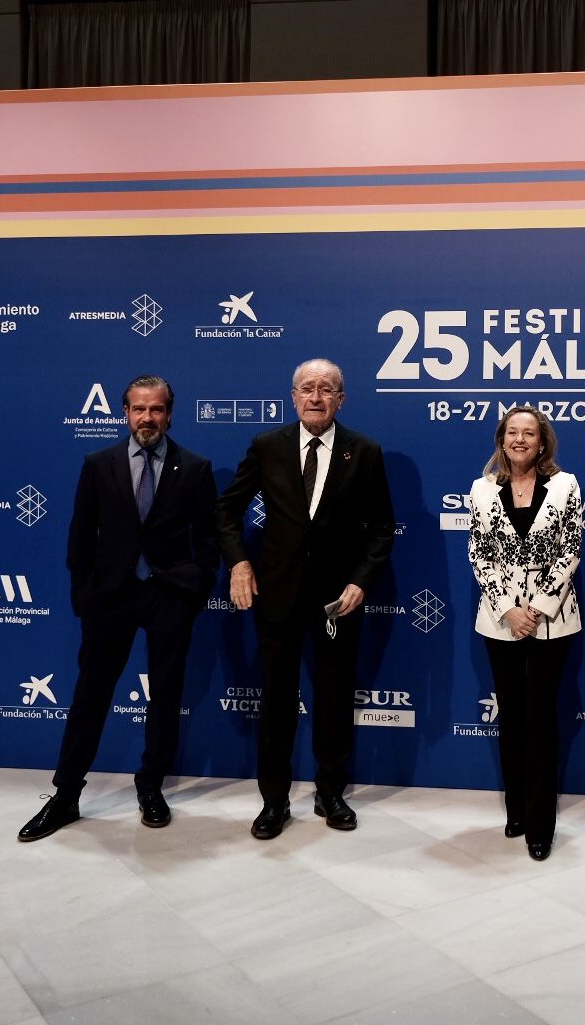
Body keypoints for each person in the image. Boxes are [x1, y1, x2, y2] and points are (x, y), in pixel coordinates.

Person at [19, 374, 219, 841]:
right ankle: (66, 795)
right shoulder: (98, 463)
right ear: (124, 413)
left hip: (169, 596)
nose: (147, 418)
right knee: (91, 696)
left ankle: (151, 788)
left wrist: (195, 588)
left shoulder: (195, 467)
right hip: (111, 598)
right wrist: (83, 594)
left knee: (166, 696)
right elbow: (80, 535)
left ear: (170, 413)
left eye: (156, 410)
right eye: (138, 409)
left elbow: (207, 539)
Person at [215, 358, 396, 839]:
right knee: (276, 697)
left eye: (327, 389)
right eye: (307, 389)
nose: (316, 396)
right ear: (293, 397)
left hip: (339, 600)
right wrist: (238, 562)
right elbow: (227, 509)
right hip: (277, 593)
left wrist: (361, 579)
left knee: (335, 695)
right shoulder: (266, 446)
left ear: (342, 399)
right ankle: (273, 800)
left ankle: (330, 792)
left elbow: (382, 528)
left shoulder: (365, 451)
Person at [467, 406, 583, 861]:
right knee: (511, 716)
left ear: (542, 442)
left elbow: (570, 549)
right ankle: (516, 809)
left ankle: (541, 824)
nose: (519, 440)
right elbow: (479, 553)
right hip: (500, 621)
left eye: (528, 433)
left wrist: (535, 609)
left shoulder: (565, 485)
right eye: (512, 432)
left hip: (553, 621)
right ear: (502, 440)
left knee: (540, 719)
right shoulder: (480, 489)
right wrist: (508, 609)